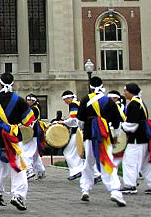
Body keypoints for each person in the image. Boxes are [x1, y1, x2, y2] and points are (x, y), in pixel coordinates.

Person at [76, 76, 126, 207]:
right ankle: (115, 191)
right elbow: (117, 122)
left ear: (90, 86)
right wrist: (115, 135)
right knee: (107, 160)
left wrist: (83, 129)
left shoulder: (85, 99)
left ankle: (85, 189)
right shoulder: (109, 101)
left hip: (89, 133)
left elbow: (80, 121)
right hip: (105, 134)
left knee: (88, 162)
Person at [0, 73, 35, 211]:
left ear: (0, 83)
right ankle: (18, 195)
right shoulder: (19, 100)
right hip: (13, 137)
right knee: (18, 167)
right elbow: (28, 121)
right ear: (13, 83)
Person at [119, 83, 151, 194]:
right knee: (145, 164)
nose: (124, 93)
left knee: (129, 161)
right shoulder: (140, 102)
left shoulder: (133, 104)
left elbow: (132, 125)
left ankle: (130, 185)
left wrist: (121, 126)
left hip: (137, 139)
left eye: (125, 91)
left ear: (130, 91)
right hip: (144, 138)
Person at [59, 91, 86, 181]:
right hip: (81, 130)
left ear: (69, 98)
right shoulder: (78, 103)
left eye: (65, 100)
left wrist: (64, 122)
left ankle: (77, 170)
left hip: (78, 131)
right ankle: (79, 169)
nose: (65, 102)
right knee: (77, 151)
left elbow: (74, 119)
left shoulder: (73, 105)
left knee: (68, 151)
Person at [22, 94, 46, 180]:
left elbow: (28, 121)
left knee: (26, 152)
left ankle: (29, 170)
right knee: (35, 154)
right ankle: (41, 171)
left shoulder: (33, 109)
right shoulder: (35, 108)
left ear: (33, 101)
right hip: (34, 133)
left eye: (29, 100)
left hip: (31, 133)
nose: (27, 102)